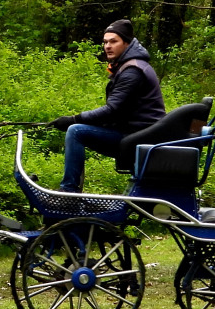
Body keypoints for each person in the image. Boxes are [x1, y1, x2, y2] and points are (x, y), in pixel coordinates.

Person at [50, 19, 166, 192]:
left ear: (127, 43)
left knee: (76, 131)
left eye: (114, 41)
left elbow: (112, 110)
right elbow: (119, 113)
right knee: (78, 129)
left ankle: (68, 192)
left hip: (139, 136)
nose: (107, 46)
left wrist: (73, 119)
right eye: (105, 42)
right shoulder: (130, 66)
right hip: (137, 132)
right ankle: (71, 191)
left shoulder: (132, 71)